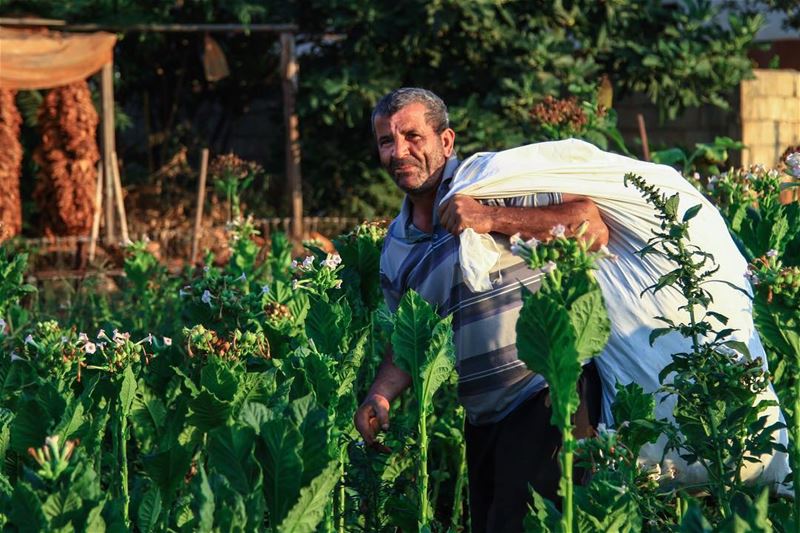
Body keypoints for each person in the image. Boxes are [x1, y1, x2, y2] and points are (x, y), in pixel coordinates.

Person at [353, 87, 609, 532]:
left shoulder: (492, 184)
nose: (399, 152)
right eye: (386, 141)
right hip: (484, 418)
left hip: (550, 394)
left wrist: (490, 218)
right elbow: (407, 336)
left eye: (413, 136)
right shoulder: (395, 246)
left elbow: (590, 225)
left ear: (446, 142)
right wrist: (381, 392)